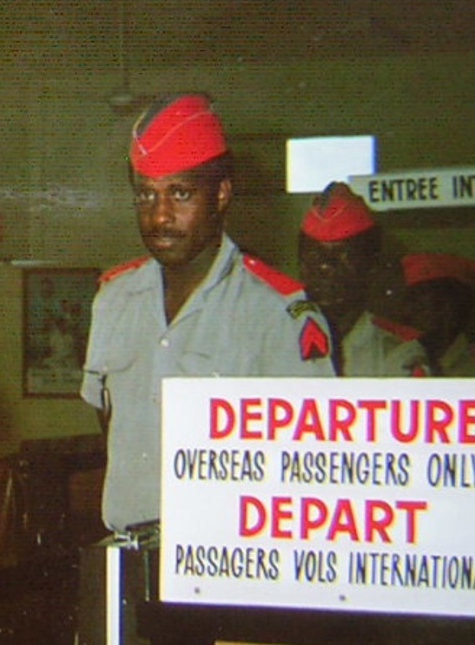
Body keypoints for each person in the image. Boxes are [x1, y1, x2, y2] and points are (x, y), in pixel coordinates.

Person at [81, 93, 335, 533]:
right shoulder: (114, 300)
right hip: (129, 553)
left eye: (180, 194)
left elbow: (310, 462)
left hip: (227, 561)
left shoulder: (276, 313)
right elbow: (108, 418)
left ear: (220, 195)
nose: (160, 217)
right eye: (146, 195)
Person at [297, 182, 430, 378]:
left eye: (344, 255)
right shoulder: (275, 338)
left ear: (371, 265)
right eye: (315, 255)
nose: (325, 266)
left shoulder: (397, 353)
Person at [399, 252, 475, 378]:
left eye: (439, 303)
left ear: (461, 306)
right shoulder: (395, 362)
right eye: (417, 303)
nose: (427, 313)